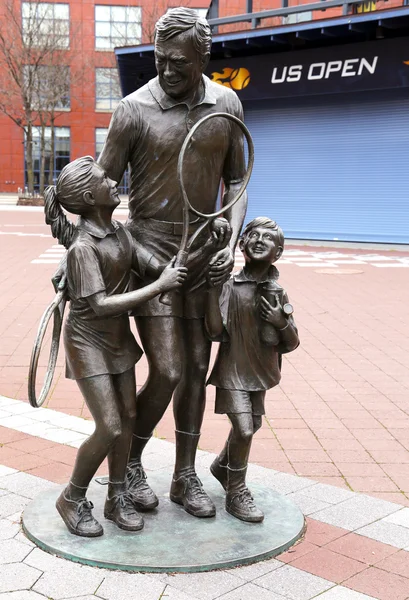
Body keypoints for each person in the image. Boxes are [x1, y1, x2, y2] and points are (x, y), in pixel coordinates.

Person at [97, 8, 248, 518]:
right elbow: (99, 193)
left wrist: (230, 243)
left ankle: (186, 474)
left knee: (197, 370)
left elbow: (239, 182)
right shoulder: (133, 110)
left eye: (178, 62)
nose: (166, 70)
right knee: (167, 368)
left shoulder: (226, 104)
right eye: (160, 60)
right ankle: (131, 459)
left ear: (203, 56)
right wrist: (95, 247)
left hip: (205, 255)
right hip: (151, 256)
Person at [44, 156, 188, 537]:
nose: (113, 179)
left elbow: (153, 264)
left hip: (117, 339)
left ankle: (117, 495)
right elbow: (100, 304)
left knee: (127, 418)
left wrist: (191, 249)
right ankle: (72, 497)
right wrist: (160, 287)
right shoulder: (83, 248)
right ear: (91, 197)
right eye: (105, 178)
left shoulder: (121, 233)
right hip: (88, 340)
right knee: (108, 425)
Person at [205, 217, 300, 522]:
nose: (259, 240)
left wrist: (280, 322)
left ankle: (222, 465)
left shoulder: (277, 292)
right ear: (242, 245)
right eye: (253, 235)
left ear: (279, 252)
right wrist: (212, 290)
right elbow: (214, 330)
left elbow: (291, 342)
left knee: (252, 426)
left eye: (268, 238)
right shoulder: (230, 287)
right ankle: (236, 492)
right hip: (232, 371)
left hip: (260, 372)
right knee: (244, 429)